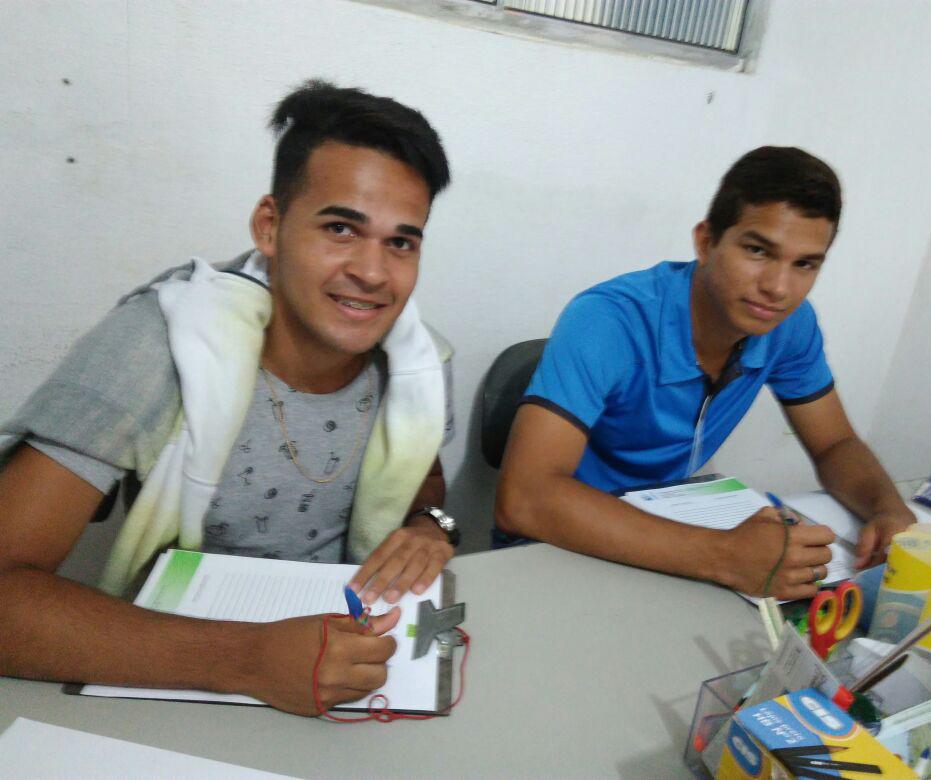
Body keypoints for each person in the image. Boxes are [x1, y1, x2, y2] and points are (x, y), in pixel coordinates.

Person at [0, 80, 460, 716]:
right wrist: (248, 661)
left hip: (346, 665)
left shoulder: (417, 364)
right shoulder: (162, 343)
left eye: (400, 242)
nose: (374, 273)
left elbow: (424, 480)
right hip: (174, 673)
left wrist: (428, 525)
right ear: (270, 227)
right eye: (341, 228)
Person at [495, 146, 914, 601]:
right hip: (558, 548)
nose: (777, 287)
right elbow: (525, 498)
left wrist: (888, 509)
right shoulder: (608, 321)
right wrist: (727, 557)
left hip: (675, 538)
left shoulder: (790, 324)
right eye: (758, 250)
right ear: (705, 241)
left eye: (805, 264)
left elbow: (835, 444)